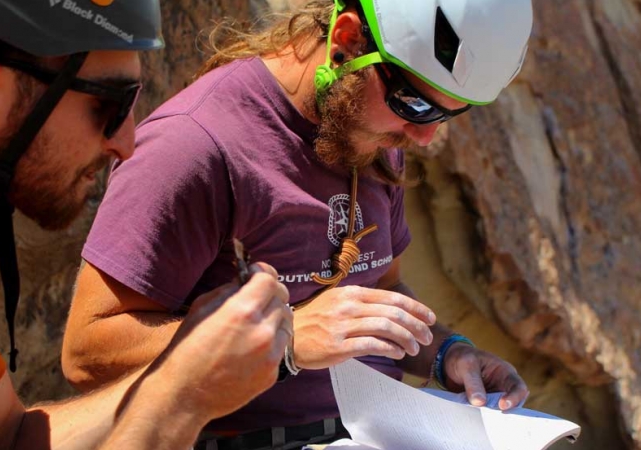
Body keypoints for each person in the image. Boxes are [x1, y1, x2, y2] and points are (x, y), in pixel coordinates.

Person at [62, 0, 533, 448]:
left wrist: (448, 353)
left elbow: (383, 295)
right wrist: (282, 338)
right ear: (346, 38)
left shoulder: (372, 128)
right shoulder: (193, 147)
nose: (425, 137)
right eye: (416, 105)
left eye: (452, 113)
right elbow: (87, 352)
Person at [0, 1, 293, 449]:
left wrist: (183, 366)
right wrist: (184, 397)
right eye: (110, 104)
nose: (127, 145)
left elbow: (8, 437)